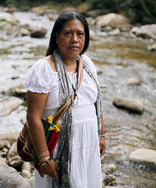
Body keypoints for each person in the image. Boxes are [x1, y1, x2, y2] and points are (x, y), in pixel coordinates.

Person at [25, 11, 106, 188]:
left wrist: (101, 134)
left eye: (80, 34)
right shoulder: (44, 69)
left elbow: (96, 104)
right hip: (57, 148)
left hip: (88, 144)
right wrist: (45, 159)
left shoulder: (88, 64)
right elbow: (33, 118)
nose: (75, 39)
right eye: (68, 33)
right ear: (57, 36)